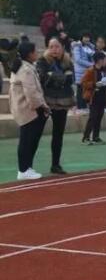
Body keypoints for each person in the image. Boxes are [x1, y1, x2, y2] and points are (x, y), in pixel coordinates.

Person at [9, 42, 51, 180]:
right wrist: (42, 107)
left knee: (30, 140)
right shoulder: (25, 69)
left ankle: (27, 167)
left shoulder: (24, 66)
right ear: (29, 54)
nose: (37, 53)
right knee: (27, 140)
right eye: (35, 51)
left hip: (26, 108)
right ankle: (23, 169)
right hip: (29, 110)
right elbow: (31, 92)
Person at [36, 38, 75, 174]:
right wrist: (60, 77)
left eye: (57, 46)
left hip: (63, 101)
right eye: (51, 46)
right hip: (46, 101)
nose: (54, 49)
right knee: (36, 133)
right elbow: (43, 78)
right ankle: (27, 166)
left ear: (62, 47)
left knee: (58, 134)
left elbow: (70, 80)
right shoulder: (42, 61)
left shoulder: (68, 61)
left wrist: (53, 76)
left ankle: (55, 165)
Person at [81, 52, 106, 145]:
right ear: (99, 60)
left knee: (99, 117)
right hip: (94, 97)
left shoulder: (104, 71)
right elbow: (84, 83)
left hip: (102, 97)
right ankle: (86, 137)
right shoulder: (91, 70)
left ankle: (96, 137)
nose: (105, 61)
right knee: (93, 117)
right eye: (104, 59)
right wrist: (94, 84)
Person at [72, 33, 95, 112]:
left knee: (86, 89)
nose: (87, 39)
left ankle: (85, 106)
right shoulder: (77, 47)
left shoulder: (90, 47)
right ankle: (80, 107)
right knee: (80, 89)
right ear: (81, 37)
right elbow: (78, 59)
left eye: (88, 37)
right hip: (80, 71)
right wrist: (91, 64)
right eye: (85, 37)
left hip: (88, 71)